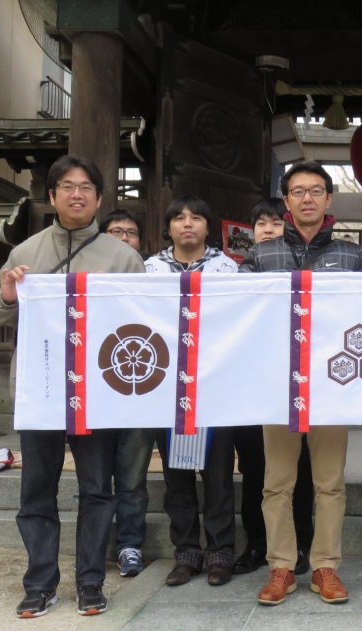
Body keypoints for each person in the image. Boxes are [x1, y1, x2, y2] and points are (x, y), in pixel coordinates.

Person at [0, 155, 145, 618]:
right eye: (67, 187)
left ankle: (91, 582)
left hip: (98, 394)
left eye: (87, 187)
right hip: (42, 391)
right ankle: (39, 583)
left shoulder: (123, 257)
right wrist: (11, 294)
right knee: (37, 489)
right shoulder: (25, 253)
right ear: (51, 196)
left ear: (98, 197)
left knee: (97, 488)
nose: (78, 194)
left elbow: (145, 322)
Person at [241, 161, 362, 606]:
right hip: (278, 384)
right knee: (277, 481)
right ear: (286, 200)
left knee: (329, 482)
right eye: (298, 192)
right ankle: (281, 568)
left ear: (329, 199)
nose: (308, 199)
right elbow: (242, 317)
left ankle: (325, 567)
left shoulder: (352, 256)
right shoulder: (260, 255)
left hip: (334, 384)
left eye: (316, 190)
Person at [144, 195, 240, 588]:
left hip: (213, 384)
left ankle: (220, 552)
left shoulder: (227, 268)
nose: (187, 224)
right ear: (167, 227)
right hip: (166, 384)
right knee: (176, 474)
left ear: (207, 226)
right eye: (179, 218)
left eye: (196, 217)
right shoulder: (149, 269)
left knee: (217, 475)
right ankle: (185, 552)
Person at [232, 197, 316, 578]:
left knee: (299, 471)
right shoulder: (245, 271)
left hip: (298, 382)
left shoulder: (301, 266)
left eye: (275, 224)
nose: (267, 230)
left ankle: (301, 543)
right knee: (255, 470)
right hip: (254, 383)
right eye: (260, 224)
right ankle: (257, 543)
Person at [98, 209, 153, 578]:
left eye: (131, 233)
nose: (123, 238)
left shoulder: (152, 283)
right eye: (115, 231)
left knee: (132, 479)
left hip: (140, 393)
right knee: (95, 477)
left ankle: (130, 544)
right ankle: (96, 542)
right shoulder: (83, 279)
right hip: (98, 395)